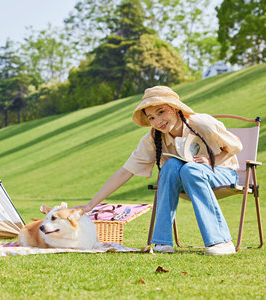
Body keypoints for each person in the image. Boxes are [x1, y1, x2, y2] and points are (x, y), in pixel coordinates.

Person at [73, 86, 242, 255]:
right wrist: (90, 205)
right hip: (188, 176)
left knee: (191, 169)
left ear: (175, 108)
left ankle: (222, 242)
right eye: (152, 117)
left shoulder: (202, 123)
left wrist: (209, 161)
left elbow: (236, 147)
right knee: (169, 166)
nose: (158, 121)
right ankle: (163, 242)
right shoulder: (153, 138)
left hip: (222, 173)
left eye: (161, 112)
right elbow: (125, 172)